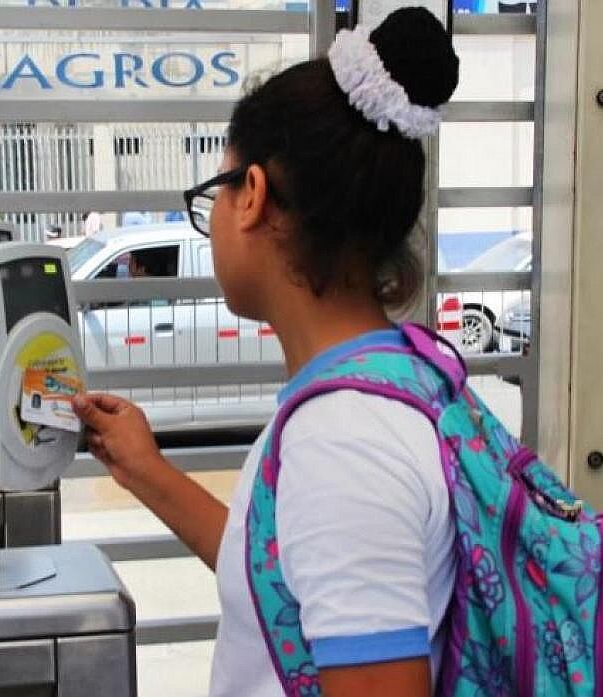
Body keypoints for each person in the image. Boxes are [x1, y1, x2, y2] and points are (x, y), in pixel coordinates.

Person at [71, 8, 459, 697]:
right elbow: (288, 582)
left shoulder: (344, 442)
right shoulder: (394, 375)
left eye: (214, 190)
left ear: (251, 195)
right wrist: (146, 470)